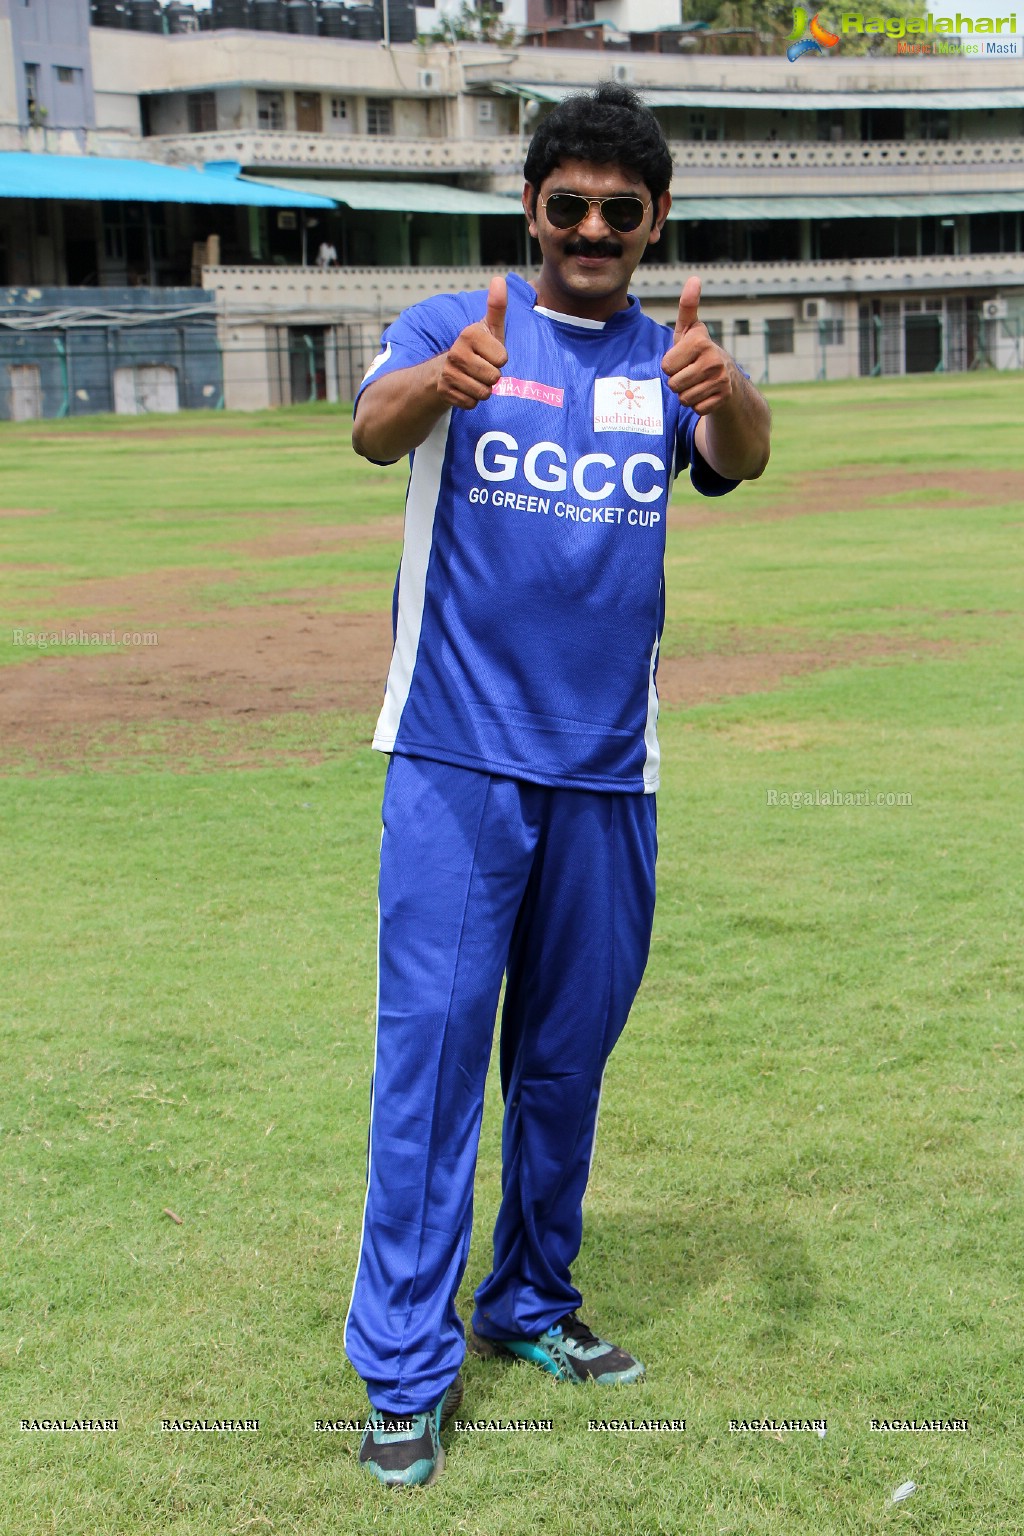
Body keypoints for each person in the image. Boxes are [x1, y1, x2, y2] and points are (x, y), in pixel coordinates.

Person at [344, 81, 771, 1488]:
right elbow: (373, 433)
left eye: (620, 210)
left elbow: (735, 461)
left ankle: (530, 1302)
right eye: (568, 203)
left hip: (608, 774)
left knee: (565, 1066)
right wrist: (443, 383)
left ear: (654, 225)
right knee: (434, 1067)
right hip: (461, 762)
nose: (591, 227)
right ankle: (405, 1369)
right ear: (530, 209)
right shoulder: (453, 333)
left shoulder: (672, 358)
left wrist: (733, 391)